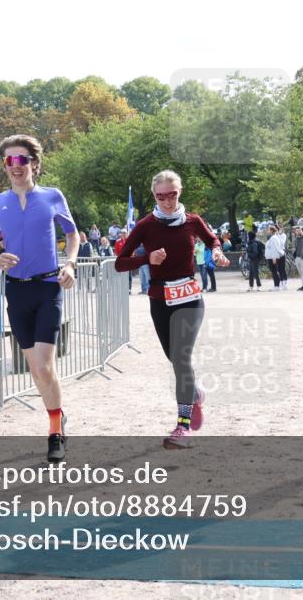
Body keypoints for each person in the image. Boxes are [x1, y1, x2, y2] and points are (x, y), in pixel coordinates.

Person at [0, 134, 79, 463]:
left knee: (43, 366)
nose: (15, 166)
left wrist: (70, 263)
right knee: (35, 371)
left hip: (48, 286)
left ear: (34, 163)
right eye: (9, 161)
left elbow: (72, 234)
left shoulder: (52, 197)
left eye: (21, 159)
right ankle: (58, 417)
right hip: (16, 290)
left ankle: (55, 429)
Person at [114, 170, 228, 449]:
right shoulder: (145, 226)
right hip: (160, 298)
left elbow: (212, 238)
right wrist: (146, 258)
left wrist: (216, 250)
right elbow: (120, 262)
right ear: (155, 196)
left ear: (180, 192)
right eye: (160, 196)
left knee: (182, 357)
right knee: (175, 359)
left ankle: (182, 426)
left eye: (172, 194)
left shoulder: (192, 221)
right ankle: (196, 394)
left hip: (189, 296)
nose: (166, 200)